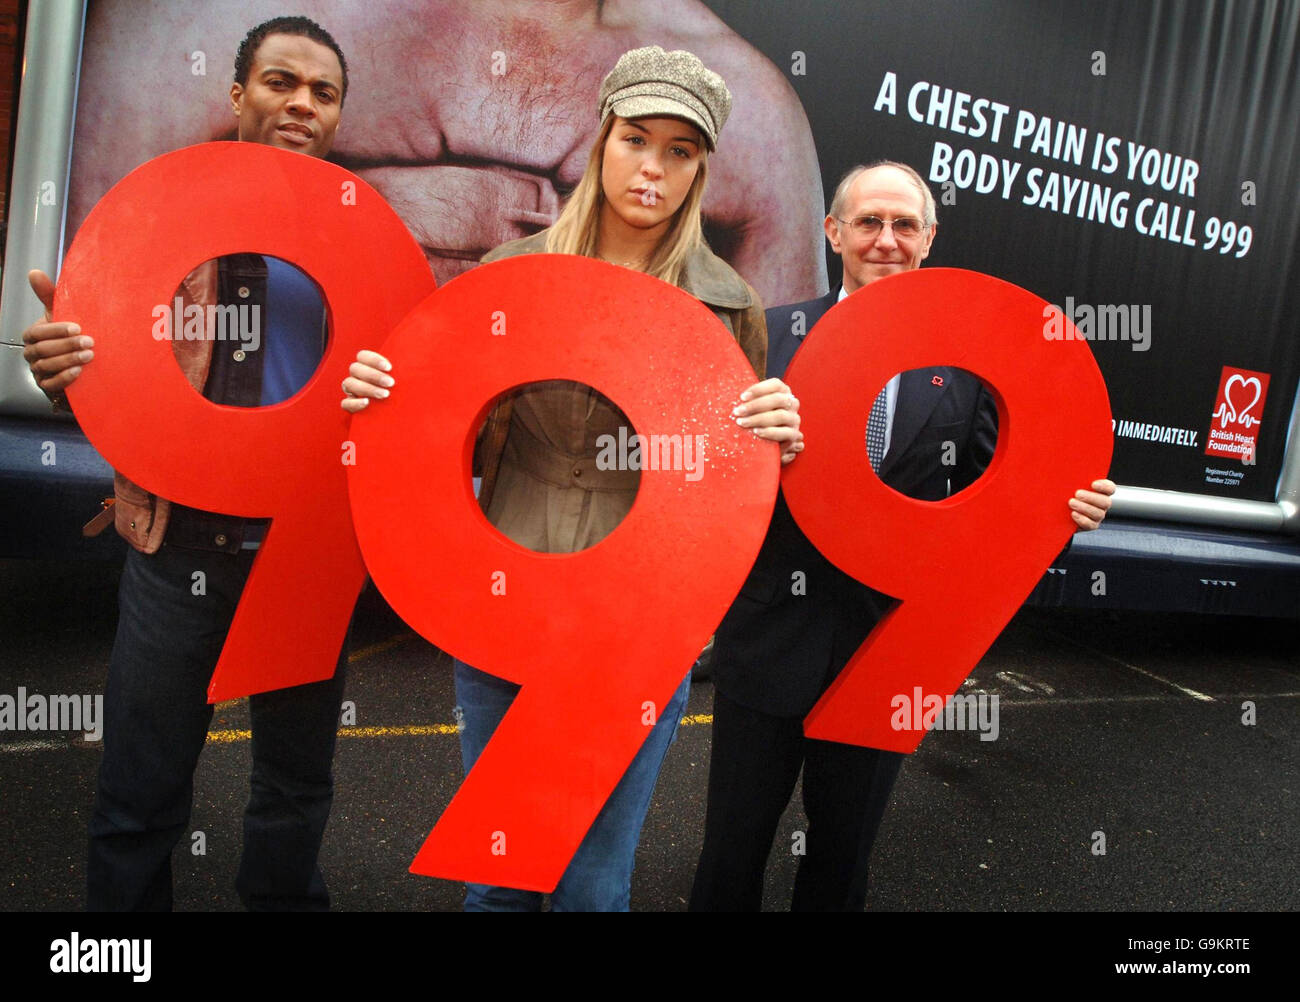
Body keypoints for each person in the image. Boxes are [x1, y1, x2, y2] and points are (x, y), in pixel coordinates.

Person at [342, 45, 803, 911]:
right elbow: (448, 436)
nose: (653, 168)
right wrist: (384, 395)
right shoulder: (509, 277)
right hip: (501, 591)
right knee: (504, 877)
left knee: (592, 885)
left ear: (700, 169)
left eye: (680, 151)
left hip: (641, 618)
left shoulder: (727, 304)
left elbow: (723, 481)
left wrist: (776, 435)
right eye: (637, 139)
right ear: (601, 143)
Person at [689, 160, 1117, 911]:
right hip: (767, 639)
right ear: (834, 233)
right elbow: (711, 478)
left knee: (842, 859)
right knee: (730, 855)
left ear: (929, 240)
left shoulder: (974, 367)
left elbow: (1001, 507)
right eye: (868, 223)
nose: (885, 240)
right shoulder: (770, 333)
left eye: (904, 225)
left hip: (887, 653)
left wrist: (1062, 518)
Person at [20, 16, 352, 911]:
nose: (301, 104)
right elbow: (111, 369)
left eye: (323, 93)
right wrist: (67, 377)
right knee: (139, 793)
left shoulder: (365, 240)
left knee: (293, 790)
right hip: (181, 545)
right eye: (280, 82)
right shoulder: (162, 213)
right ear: (238, 93)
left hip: (306, 549)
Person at [67, 0, 826, 307]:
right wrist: (319, 234)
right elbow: (104, 313)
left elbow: (760, 403)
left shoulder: (751, 111)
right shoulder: (194, 24)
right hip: (266, 494)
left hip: (553, 511)